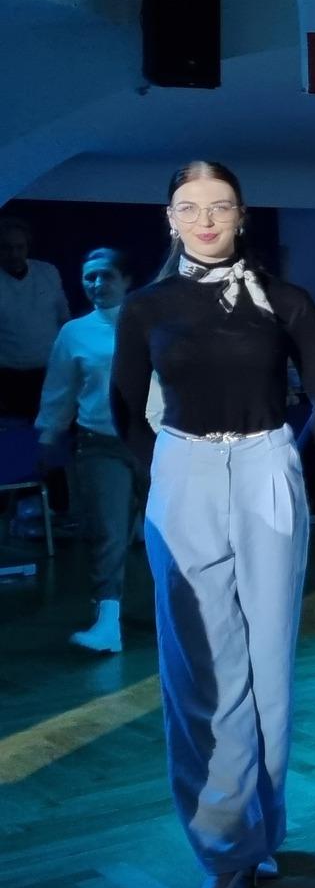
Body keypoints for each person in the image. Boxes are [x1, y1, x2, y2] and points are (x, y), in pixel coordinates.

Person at [110, 161, 315, 888]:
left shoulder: (285, 300)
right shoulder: (145, 307)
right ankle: (219, 850)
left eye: (220, 206)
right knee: (199, 668)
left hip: (268, 461)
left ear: (242, 215)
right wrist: (164, 476)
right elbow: (123, 409)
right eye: (189, 207)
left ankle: (259, 832)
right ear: (169, 218)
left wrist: (291, 467)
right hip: (183, 469)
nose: (205, 220)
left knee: (269, 666)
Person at [36, 248, 140, 654]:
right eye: (89, 277)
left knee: (174, 531)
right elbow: (59, 390)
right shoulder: (74, 332)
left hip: (156, 443)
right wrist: (48, 437)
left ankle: (192, 615)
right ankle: (108, 622)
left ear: (126, 279)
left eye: (106, 275)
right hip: (101, 443)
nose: (97, 284)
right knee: (108, 533)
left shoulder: (149, 322)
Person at [0, 216, 70, 419]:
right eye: (7, 248)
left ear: (28, 247)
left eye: (19, 247)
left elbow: (64, 318)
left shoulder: (47, 272)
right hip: (6, 376)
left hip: (50, 373)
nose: (14, 254)